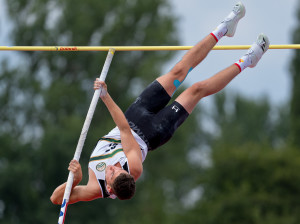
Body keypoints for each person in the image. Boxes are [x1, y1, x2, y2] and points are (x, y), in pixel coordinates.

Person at [50, 1, 270, 203]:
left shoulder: (93, 184)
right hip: (154, 132)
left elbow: (57, 200)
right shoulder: (133, 168)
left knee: (178, 70)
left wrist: (76, 179)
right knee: (196, 90)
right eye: (115, 172)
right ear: (110, 189)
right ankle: (249, 60)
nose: (114, 168)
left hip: (135, 114)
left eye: (115, 172)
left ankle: (224, 28)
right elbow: (124, 131)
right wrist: (106, 97)